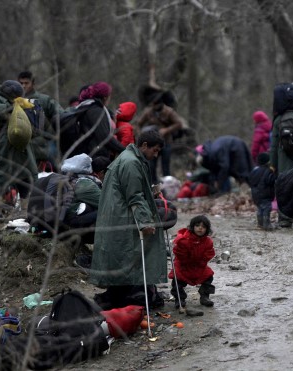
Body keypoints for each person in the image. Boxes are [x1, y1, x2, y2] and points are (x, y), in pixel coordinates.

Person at [89, 130, 166, 310]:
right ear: (144, 145)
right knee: (128, 254)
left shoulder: (129, 158)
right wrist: (145, 221)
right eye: (154, 150)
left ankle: (128, 294)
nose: (155, 155)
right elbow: (134, 196)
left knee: (123, 256)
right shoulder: (131, 162)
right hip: (122, 217)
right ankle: (130, 296)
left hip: (117, 215)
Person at [0, 80, 38, 214]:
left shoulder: (22, 102)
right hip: (5, 139)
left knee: (25, 173)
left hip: (21, 140)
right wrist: (13, 106)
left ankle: (25, 211)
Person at [17, 71, 64, 166]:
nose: (23, 86)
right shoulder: (15, 101)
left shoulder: (44, 100)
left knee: (56, 164)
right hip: (24, 142)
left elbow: (61, 114)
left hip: (45, 141)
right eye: (21, 83)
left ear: (33, 83)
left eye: (26, 83)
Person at [168, 215, 216, 308]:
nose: (200, 228)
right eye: (197, 226)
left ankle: (205, 296)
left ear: (207, 229)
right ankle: (179, 298)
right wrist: (186, 261)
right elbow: (178, 252)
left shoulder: (208, 241)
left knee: (208, 276)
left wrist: (202, 262)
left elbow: (210, 253)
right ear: (192, 227)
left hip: (199, 266)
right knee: (177, 280)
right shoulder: (184, 240)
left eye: (203, 227)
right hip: (183, 266)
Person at [136, 93, 184, 183]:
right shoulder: (148, 112)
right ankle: (153, 187)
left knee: (165, 166)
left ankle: (168, 186)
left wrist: (166, 130)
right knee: (151, 166)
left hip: (166, 142)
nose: (153, 106)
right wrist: (142, 135)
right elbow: (139, 124)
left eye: (155, 104)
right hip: (153, 142)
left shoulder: (169, 112)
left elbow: (179, 124)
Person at [249, 152, 276, 230]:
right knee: (267, 209)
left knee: (260, 208)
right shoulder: (268, 171)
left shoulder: (254, 170)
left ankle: (260, 223)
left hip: (255, 195)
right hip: (265, 194)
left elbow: (250, 180)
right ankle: (267, 225)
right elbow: (270, 180)